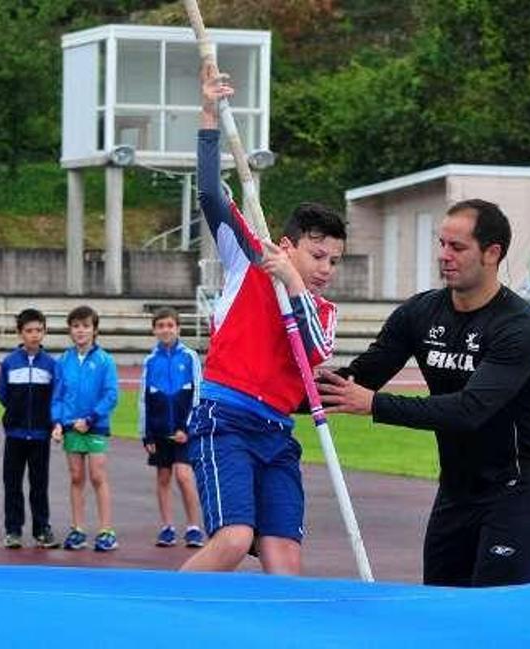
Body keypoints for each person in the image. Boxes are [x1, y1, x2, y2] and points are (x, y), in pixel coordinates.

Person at [316, 199, 530, 587]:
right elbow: (358, 379)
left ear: (492, 253)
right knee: (441, 600)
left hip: (520, 486)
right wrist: (257, 389)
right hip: (458, 487)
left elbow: (470, 410)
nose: (443, 256)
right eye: (442, 244)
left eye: (457, 247)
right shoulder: (419, 313)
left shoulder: (519, 328)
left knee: (494, 602)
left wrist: (374, 405)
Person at [180, 61, 346, 576]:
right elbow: (210, 193)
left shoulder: (321, 308)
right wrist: (209, 112)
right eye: (317, 258)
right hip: (225, 420)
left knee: (285, 560)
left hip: (276, 434)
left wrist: (293, 283)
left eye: (334, 262)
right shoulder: (247, 259)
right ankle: (159, 619)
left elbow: (314, 352)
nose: (326, 270)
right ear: (289, 245)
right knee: (233, 539)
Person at [50, 305, 120, 552]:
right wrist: (57, 422)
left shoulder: (104, 360)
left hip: (95, 426)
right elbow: (58, 395)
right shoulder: (64, 360)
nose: (81, 331)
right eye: (76, 326)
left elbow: (111, 395)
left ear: (95, 330)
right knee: (76, 477)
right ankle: (78, 529)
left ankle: (106, 530)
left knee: (98, 476)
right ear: (70, 330)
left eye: (86, 326)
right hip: (70, 427)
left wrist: (90, 418)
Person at [139, 307, 205, 548]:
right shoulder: (150, 361)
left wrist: (186, 427)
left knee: (184, 476)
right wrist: (146, 434)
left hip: (184, 431)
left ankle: (193, 526)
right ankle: (167, 527)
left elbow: (197, 393)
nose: (166, 330)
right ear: (154, 330)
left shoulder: (189, 357)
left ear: (178, 328)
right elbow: (143, 398)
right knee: (163, 477)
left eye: (170, 325)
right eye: (161, 326)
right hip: (159, 431)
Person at [0, 308, 59, 549]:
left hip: (40, 435)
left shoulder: (51, 364)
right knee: (12, 484)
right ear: (20, 333)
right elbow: (2, 393)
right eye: (29, 331)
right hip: (15, 434)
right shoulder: (10, 363)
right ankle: (13, 530)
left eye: (39, 330)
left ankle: (42, 529)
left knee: (39, 484)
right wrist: (16, 413)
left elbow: (55, 396)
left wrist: (49, 423)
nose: (35, 335)